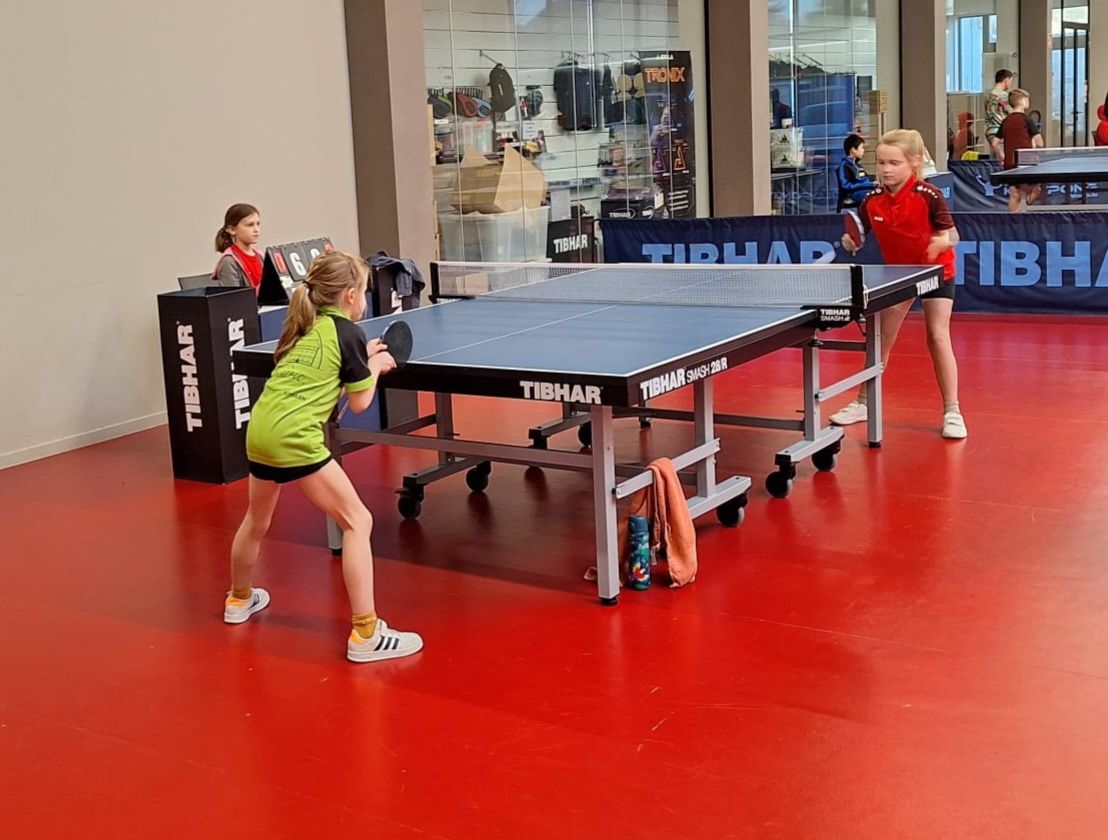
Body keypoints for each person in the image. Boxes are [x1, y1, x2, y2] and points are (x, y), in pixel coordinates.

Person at [223, 251, 424, 663]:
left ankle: (238, 599)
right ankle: (366, 634)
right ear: (350, 295)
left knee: (256, 521)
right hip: (294, 438)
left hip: (261, 431)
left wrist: (362, 356)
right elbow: (361, 402)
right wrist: (376, 365)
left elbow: (326, 369)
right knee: (358, 521)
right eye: (363, 292)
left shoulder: (305, 326)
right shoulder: (347, 332)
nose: (364, 299)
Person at [828, 129, 967, 440]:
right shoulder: (871, 200)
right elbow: (859, 236)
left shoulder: (929, 195)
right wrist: (851, 241)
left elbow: (954, 234)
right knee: (880, 339)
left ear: (913, 162)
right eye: (881, 163)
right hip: (900, 276)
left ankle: (952, 411)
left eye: (894, 163)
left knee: (937, 337)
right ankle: (863, 403)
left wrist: (942, 240)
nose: (886, 169)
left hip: (936, 272)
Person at [999, 89, 1043, 211]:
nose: (1028, 102)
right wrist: (1033, 143)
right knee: (1036, 189)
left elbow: (995, 142)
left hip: (1009, 162)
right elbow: (1040, 143)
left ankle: (1015, 218)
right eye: (1027, 99)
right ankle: (1022, 211)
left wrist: (1001, 156)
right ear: (1022, 101)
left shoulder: (1005, 121)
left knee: (1015, 192)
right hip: (1026, 161)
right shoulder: (1026, 120)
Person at [213, 203, 264, 292]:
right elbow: (233, 297)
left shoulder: (260, 256)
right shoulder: (229, 261)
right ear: (232, 229)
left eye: (258, 224)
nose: (256, 229)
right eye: (250, 225)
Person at [836, 133, 877, 209]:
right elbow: (845, 185)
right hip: (853, 194)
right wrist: (869, 184)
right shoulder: (844, 165)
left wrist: (875, 182)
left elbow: (865, 178)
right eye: (862, 148)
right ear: (853, 150)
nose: (864, 151)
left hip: (862, 191)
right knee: (876, 196)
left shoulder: (858, 166)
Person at [984, 69, 1015, 160]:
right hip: (1000, 130)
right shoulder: (1003, 95)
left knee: (994, 159)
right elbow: (1011, 112)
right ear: (1006, 80)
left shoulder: (988, 94)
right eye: (1011, 81)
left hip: (989, 129)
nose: (1010, 84)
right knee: (1002, 160)